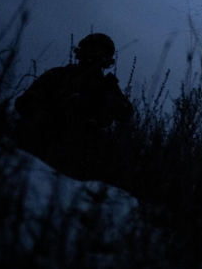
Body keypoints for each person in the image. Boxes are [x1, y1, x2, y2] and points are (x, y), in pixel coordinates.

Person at [14, 33, 134, 178]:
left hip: (80, 159)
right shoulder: (60, 75)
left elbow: (126, 113)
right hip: (40, 149)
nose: (98, 55)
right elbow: (24, 103)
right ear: (83, 51)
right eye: (94, 49)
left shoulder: (108, 87)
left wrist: (110, 93)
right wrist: (54, 117)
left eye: (103, 53)